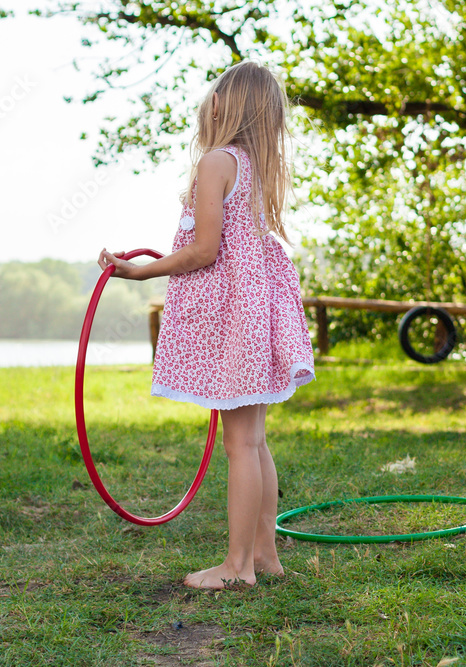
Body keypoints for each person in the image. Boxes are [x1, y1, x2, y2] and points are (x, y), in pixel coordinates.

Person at [98, 61, 314, 590]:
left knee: (241, 444)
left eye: (212, 94)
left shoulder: (217, 161)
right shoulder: (255, 165)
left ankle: (237, 568)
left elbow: (203, 249)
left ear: (222, 105)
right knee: (255, 440)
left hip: (233, 319)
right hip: (255, 313)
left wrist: (139, 270)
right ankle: (264, 556)